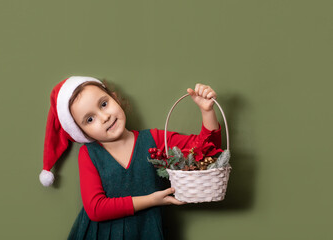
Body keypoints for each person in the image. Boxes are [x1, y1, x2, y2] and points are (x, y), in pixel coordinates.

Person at [39, 76, 223, 240]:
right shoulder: (89, 154)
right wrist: (152, 200)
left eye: (104, 104)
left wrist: (207, 111)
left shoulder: (154, 139)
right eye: (89, 119)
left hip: (147, 230)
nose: (104, 117)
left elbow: (206, 152)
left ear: (114, 98)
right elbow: (95, 208)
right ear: (81, 132)